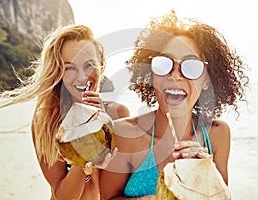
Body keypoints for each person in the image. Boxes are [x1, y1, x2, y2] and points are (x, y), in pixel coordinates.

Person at [100, 10, 249, 199]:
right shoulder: (124, 134)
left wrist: (206, 172)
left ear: (207, 81)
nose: (176, 75)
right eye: (163, 64)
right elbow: (107, 197)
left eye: (192, 67)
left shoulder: (218, 134)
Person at [0, 24, 129, 199]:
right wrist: (82, 159)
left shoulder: (118, 114)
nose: (82, 76)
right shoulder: (46, 122)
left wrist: (102, 125)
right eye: (69, 67)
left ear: (101, 65)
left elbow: (117, 192)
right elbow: (62, 195)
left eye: (89, 65)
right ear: (58, 72)